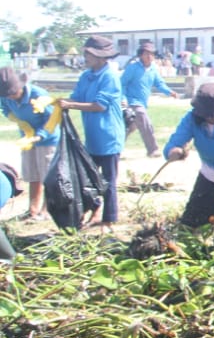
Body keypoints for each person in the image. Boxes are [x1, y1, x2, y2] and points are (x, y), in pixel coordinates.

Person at [59, 36, 126, 227]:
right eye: (85, 53)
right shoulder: (86, 76)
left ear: (101, 57)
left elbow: (99, 105)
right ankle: (93, 212)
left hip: (109, 137)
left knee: (108, 181)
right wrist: (61, 103)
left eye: (89, 54)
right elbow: (76, 97)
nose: (85, 57)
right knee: (88, 178)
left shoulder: (110, 77)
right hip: (92, 138)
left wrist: (71, 104)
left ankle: (109, 218)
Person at [164, 83, 214, 227]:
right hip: (210, 173)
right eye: (210, 114)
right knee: (192, 224)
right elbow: (174, 143)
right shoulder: (190, 119)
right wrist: (174, 152)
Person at [0, 67, 60, 219]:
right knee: (32, 175)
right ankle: (32, 210)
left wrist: (39, 136)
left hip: (47, 140)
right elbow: (5, 108)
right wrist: (18, 121)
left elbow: (52, 119)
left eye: (13, 93)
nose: (11, 97)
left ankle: (47, 210)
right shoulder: (6, 97)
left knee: (48, 176)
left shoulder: (38, 95)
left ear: (20, 86)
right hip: (27, 139)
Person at [120, 40, 174, 158]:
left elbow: (159, 83)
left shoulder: (153, 69)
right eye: (146, 53)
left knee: (129, 127)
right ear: (140, 55)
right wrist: (123, 98)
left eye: (152, 54)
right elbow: (122, 83)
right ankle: (152, 150)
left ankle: (114, 148)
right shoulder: (133, 67)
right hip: (132, 102)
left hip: (143, 102)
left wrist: (169, 92)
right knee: (145, 122)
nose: (149, 56)